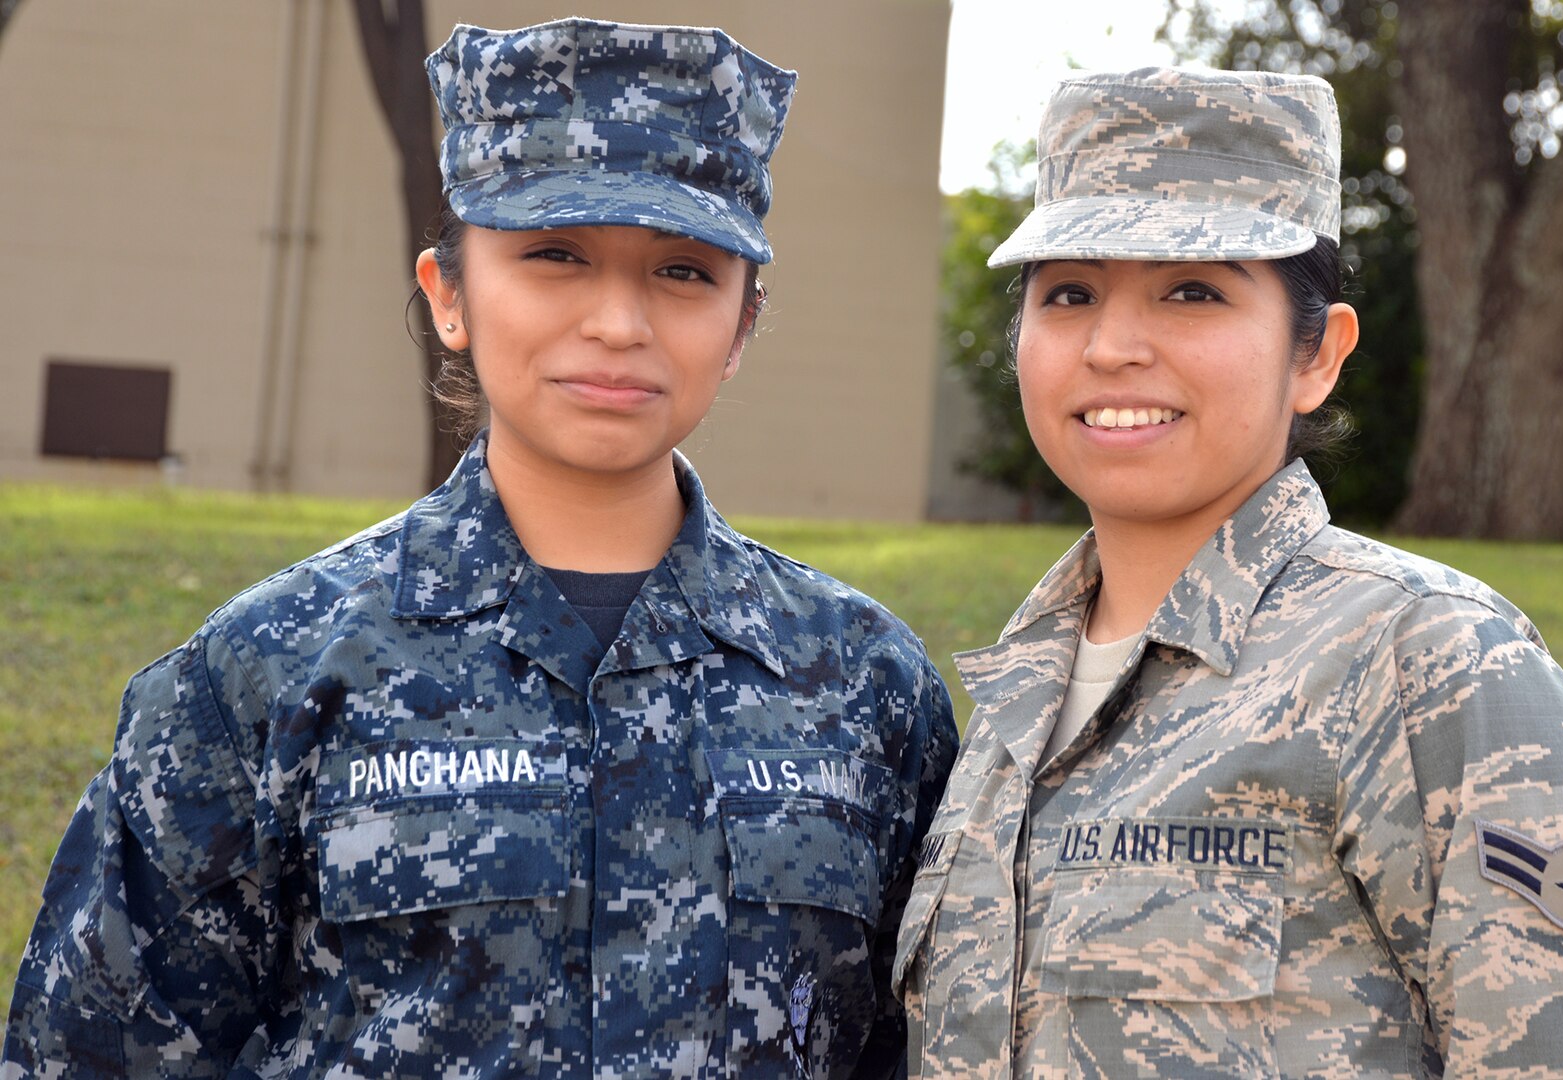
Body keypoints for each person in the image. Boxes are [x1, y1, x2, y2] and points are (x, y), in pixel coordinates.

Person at [3, 18, 957, 1078]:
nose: (617, 322)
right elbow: (91, 1054)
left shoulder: (867, 688)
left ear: (741, 326)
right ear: (448, 294)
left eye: (684, 272)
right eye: (555, 256)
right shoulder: (269, 673)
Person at [893, 68, 1563, 1078]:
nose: (1113, 345)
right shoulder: (1013, 703)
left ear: (1316, 355)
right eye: (1069, 293)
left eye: (1192, 292)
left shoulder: (1426, 662)